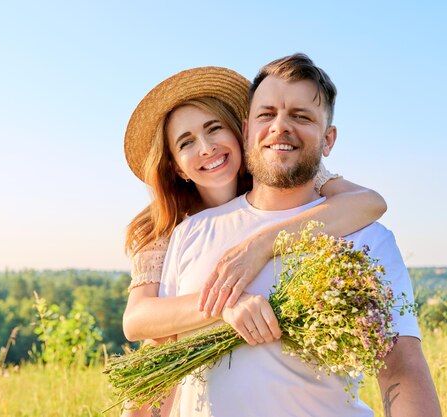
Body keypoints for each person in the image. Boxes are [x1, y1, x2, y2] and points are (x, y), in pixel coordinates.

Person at [158, 54, 442, 416]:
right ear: (246, 131)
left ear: (328, 140)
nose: (280, 127)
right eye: (267, 114)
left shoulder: (367, 237)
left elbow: (401, 368)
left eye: (301, 116)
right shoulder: (192, 232)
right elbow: (163, 363)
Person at [121, 66, 388, 417]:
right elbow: (140, 322)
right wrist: (225, 303)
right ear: (177, 168)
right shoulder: (170, 230)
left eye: (214, 128)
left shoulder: (277, 186)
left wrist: (264, 243)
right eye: (186, 142)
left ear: (241, 134)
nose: (206, 148)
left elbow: (369, 202)